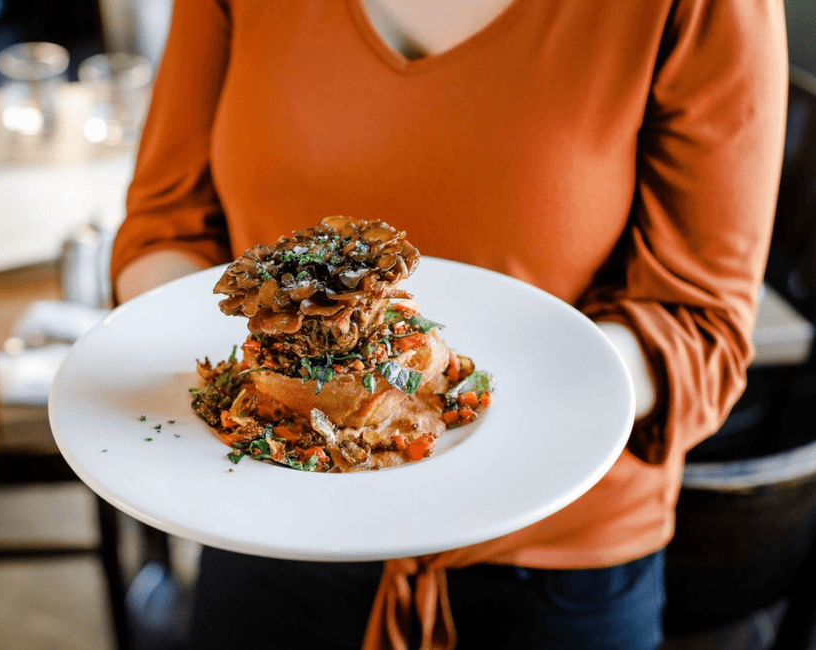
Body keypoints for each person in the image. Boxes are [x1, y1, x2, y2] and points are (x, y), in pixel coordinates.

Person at [110, 0, 789, 648]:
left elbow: (699, 325)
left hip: (550, 567)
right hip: (267, 519)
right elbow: (166, 225)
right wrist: (249, 384)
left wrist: (463, 401)